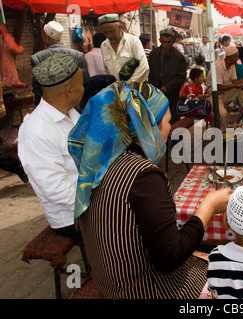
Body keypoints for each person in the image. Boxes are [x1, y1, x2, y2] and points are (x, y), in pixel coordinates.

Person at [67, 79, 232, 298]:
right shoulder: (145, 176)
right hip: (147, 291)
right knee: (235, 277)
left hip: (110, 285)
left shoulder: (97, 164)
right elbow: (170, 258)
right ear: (147, 127)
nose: (169, 130)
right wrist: (209, 206)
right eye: (167, 122)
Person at [18, 53, 84, 240]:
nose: (84, 88)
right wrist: (103, 198)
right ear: (69, 90)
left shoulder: (71, 114)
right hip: (72, 217)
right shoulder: (37, 131)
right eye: (81, 84)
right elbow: (56, 190)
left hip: (89, 200)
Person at [31, 21, 89, 106]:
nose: (42, 38)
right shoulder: (78, 55)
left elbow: (38, 89)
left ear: (48, 37)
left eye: (43, 35)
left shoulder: (38, 58)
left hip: (51, 108)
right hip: (75, 106)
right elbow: (85, 83)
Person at [205, 46, 243, 129]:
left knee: (240, 89)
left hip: (223, 94)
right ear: (231, 57)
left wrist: (240, 82)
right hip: (212, 96)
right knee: (223, 114)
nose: (238, 58)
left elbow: (235, 81)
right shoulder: (218, 67)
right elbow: (218, 88)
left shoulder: (232, 66)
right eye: (237, 56)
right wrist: (237, 84)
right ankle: (224, 134)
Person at [148, 29, 188, 124]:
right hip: (156, 93)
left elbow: (181, 77)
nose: (166, 45)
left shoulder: (178, 57)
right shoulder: (153, 54)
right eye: (164, 42)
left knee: (173, 119)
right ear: (160, 41)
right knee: (158, 119)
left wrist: (167, 87)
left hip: (172, 93)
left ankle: (174, 138)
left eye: (169, 42)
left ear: (172, 41)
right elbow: (151, 73)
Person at [99, 13, 149, 83]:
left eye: (112, 31)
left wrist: (127, 86)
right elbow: (106, 70)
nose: (109, 35)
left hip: (135, 88)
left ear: (120, 27)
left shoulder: (133, 41)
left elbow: (143, 67)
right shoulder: (103, 46)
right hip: (117, 90)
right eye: (105, 32)